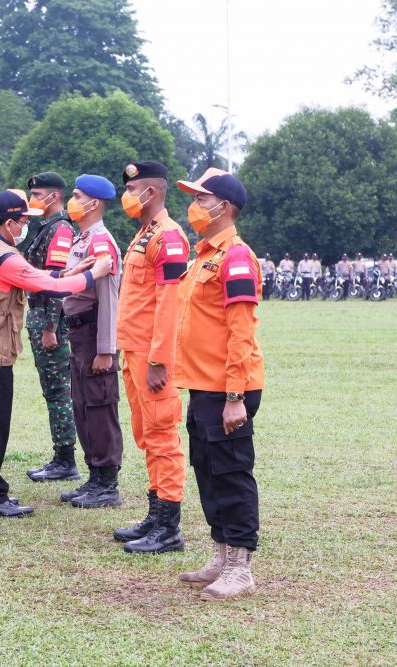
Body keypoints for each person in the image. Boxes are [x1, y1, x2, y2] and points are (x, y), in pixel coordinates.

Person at [0, 190, 112, 518]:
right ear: (10, 222)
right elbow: (45, 287)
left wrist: (68, 272)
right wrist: (90, 276)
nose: (27, 225)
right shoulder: (3, 256)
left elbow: (33, 277)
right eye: (24, 220)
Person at [173, 168, 266, 601]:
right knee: (207, 470)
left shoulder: (236, 257)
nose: (194, 205)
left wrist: (234, 397)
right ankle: (220, 552)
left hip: (229, 387)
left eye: (201, 198)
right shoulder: (204, 254)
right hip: (203, 385)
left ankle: (240, 566)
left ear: (223, 207)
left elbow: (240, 330)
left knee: (231, 472)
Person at [113, 160, 190, 554]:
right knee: (147, 436)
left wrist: (160, 359)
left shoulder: (169, 237)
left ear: (152, 192)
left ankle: (169, 528)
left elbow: (169, 301)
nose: (126, 196)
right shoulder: (143, 234)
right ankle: (155, 514)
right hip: (134, 351)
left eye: (132, 189)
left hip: (152, 356)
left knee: (163, 436)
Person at [57, 174, 125, 508]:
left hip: (94, 333)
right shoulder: (83, 238)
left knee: (99, 407)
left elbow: (109, 297)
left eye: (76, 195)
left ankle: (107, 483)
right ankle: (94, 477)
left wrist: (106, 350)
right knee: (83, 407)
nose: (72, 201)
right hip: (79, 332)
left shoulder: (101, 242)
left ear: (93, 203)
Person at [20, 172, 80, 483]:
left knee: (59, 392)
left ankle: (65, 459)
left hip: (50, 321)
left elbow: (56, 282)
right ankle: (61, 455)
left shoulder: (60, 230)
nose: (32, 200)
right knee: (51, 390)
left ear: (53, 197)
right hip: (41, 318)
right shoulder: (45, 229)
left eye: (37, 194)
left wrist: (50, 328)